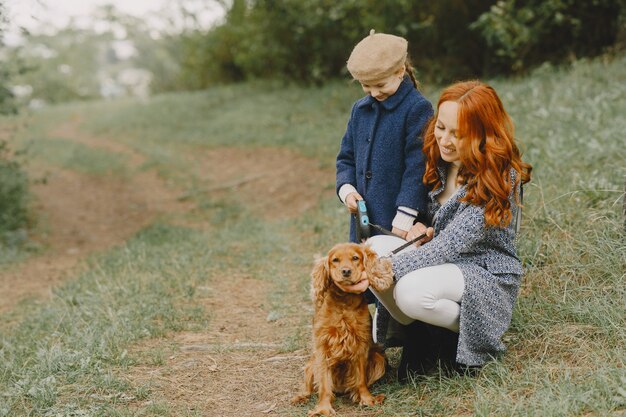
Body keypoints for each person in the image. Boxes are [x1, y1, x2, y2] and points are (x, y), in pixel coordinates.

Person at [342, 80, 532, 381]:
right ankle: (421, 338)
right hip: (443, 262)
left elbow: (450, 246)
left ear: (482, 133)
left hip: (482, 271)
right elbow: (438, 232)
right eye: (441, 127)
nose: (444, 139)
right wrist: (423, 229)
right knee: (374, 247)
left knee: (409, 290)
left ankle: (468, 340)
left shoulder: (500, 175)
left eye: (458, 134)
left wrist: (377, 271)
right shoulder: (440, 160)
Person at [336, 29, 433, 243]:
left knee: (392, 273)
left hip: (401, 224)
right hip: (363, 223)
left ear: (400, 71)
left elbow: (419, 166)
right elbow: (346, 158)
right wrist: (347, 190)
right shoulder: (359, 110)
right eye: (365, 86)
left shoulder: (417, 109)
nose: (374, 93)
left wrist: (406, 215)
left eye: (380, 85)